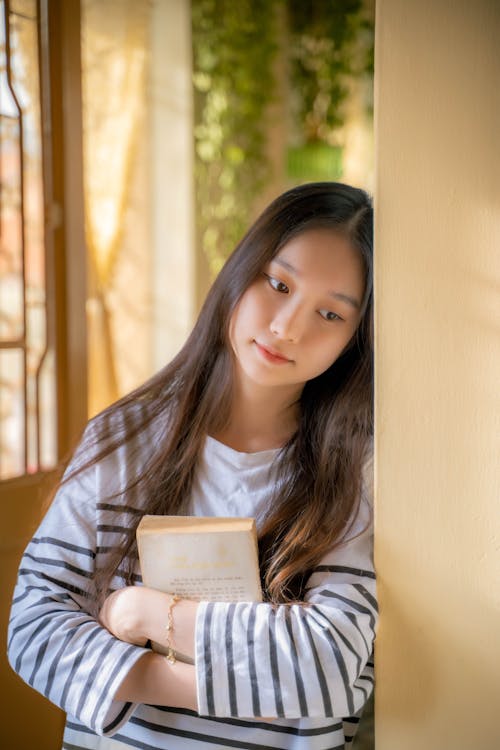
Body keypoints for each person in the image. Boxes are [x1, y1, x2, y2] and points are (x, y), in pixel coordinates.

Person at [8, 181, 376, 750]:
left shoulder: (355, 472)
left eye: (329, 313)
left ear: (354, 339)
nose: (288, 327)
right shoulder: (123, 439)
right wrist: (254, 692)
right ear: (240, 270)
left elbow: (327, 663)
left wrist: (143, 613)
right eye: (278, 284)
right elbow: (34, 629)